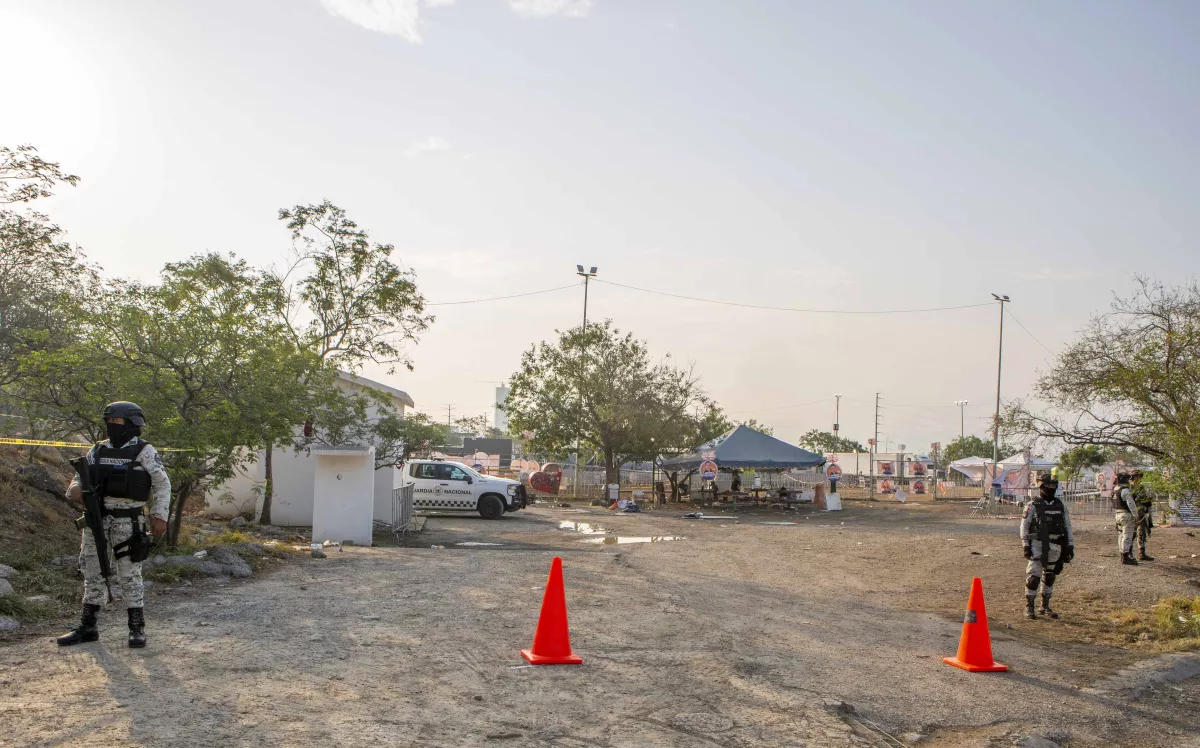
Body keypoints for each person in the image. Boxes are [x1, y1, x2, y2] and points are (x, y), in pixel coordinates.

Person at [57, 402, 171, 648]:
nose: (111, 426)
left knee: (130, 574)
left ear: (131, 423)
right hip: (97, 520)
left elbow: (162, 483)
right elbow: (78, 478)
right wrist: (74, 489)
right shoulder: (97, 449)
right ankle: (88, 626)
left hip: (129, 521)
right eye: (109, 422)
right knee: (92, 571)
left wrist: (160, 516)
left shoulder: (144, 451)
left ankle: (136, 628)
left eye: (116, 422)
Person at [1020, 473, 1074, 620]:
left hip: (1056, 544)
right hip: (1037, 544)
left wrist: (1070, 545)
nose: (1051, 489)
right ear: (1041, 487)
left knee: (1050, 576)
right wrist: (1025, 545)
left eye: (1053, 486)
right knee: (1034, 577)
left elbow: (1067, 525)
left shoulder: (1060, 505)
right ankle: (1029, 606)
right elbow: (1024, 526)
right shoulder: (1032, 505)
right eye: (1048, 486)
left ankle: (1044, 605)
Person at [1113, 473, 1139, 565]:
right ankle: (1125, 556)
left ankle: (1122, 554)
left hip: (1118, 514)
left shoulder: (1115, 489)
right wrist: (1136, 515)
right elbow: (1131, 504)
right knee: (1127, 536)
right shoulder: (1125, 490)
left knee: (1121, 535)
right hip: (1126, 515)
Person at [1132, 471, 1154, 562]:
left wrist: (1147, 501)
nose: (1138, 479)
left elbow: (1145, 500)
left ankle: (1141, 553)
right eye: (1136, 477)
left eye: (1139, 477)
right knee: (1131, 534)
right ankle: (1127, 552)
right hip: (1133, 513)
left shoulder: (1141, 488)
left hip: (1141, 512)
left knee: (1141, 533)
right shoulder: (1130, 488)